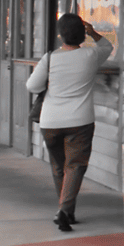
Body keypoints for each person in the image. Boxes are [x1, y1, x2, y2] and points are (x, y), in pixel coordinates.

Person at [26, 13, 114, 232]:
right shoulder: (92, 55)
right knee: (75, 165)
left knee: (58, 167)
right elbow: (108, 46)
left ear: (60, 35)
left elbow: (32, 86)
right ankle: (64, 211)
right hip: (80, 121)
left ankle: (68, 212)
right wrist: (93, 32)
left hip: (51, 121)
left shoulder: (50, 58)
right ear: (82, 34)